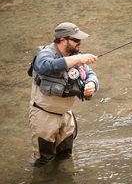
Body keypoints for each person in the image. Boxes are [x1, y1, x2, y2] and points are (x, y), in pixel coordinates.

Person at [28, 22, 99, 167]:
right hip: (44, 116)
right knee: (44, 161)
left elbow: (91, 74)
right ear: (62, 39)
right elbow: (44, 66)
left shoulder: (76, 55)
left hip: (66, 116)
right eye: (75, 40)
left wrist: (92, 84)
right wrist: (77, 59)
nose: (79, 43)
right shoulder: (45, 53)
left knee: (66, 157)